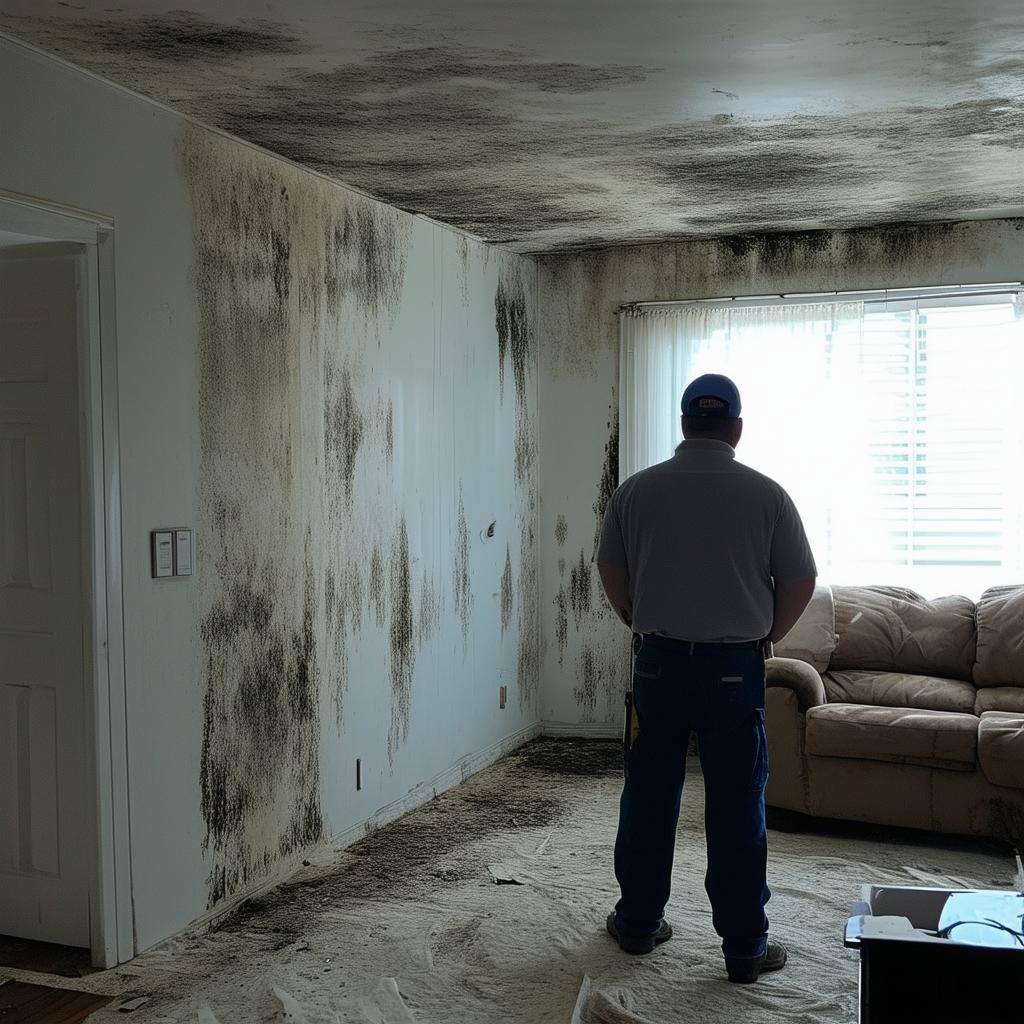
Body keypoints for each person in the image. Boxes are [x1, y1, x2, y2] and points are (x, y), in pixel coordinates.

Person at [596, 373, 816, 984]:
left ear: (685, 423)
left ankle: (639, 924)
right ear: (737, 429)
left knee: (648, 796)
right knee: (736, 805)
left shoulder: (637, 491)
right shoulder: (767, 495)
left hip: (658, 665)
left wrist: (634, 616)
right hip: (732, 672)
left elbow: (611, 567)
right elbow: (800, 581)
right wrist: (767, 633)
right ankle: (745, 947)